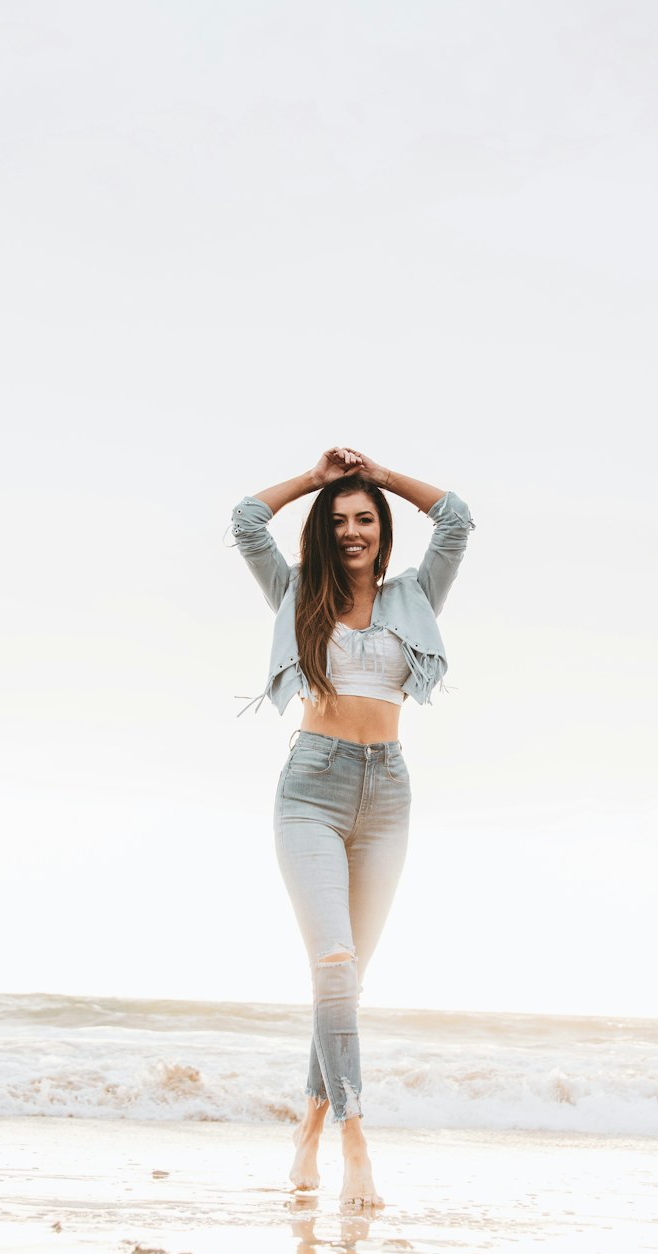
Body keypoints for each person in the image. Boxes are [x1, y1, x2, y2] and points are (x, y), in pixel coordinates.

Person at [230, 447, 475, 1207]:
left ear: (383, 530)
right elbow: (245, 522)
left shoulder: (416, 595)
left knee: (347, 982)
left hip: (388, 795)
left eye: (364, 519)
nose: (352, 531)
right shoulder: (296, 589)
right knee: (333, 964)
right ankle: (354, 1138)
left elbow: (457, 519)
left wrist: (380, 473)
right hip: (312, 788)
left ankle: (305, 1125)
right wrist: (317, 480)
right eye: (338, 521)